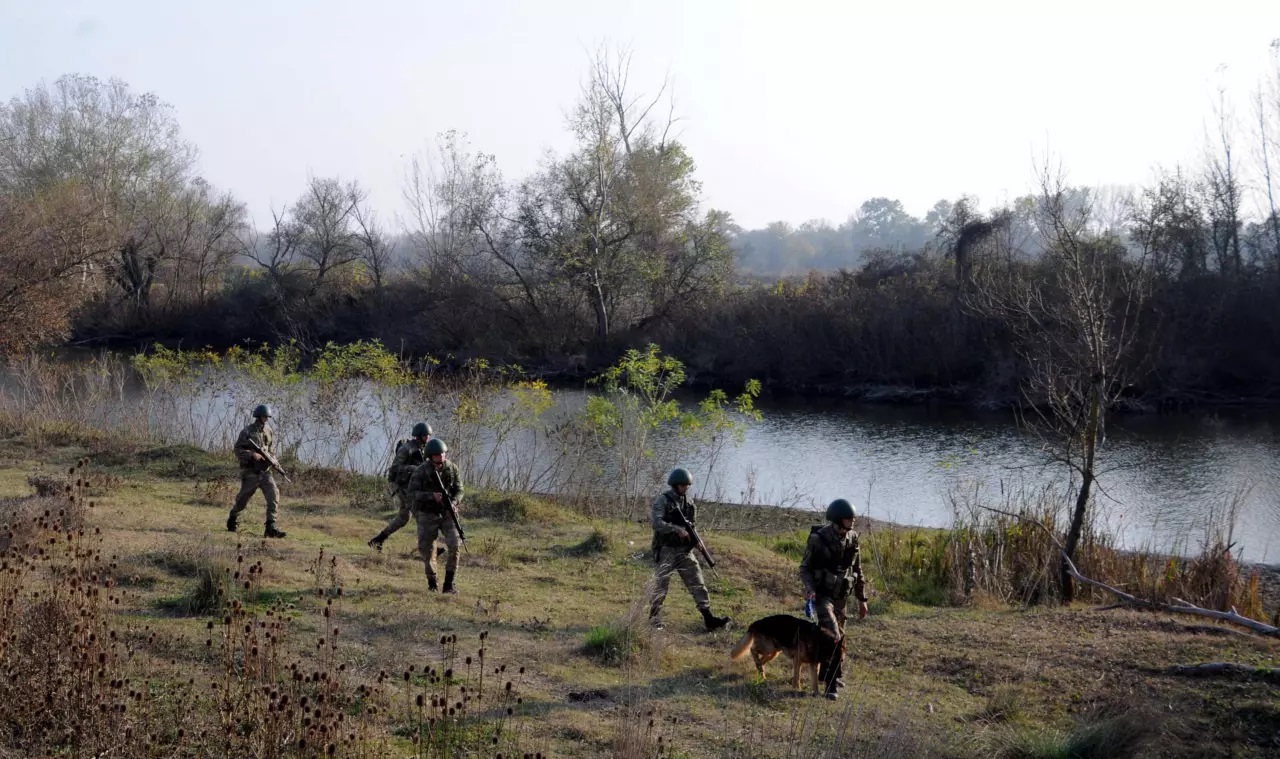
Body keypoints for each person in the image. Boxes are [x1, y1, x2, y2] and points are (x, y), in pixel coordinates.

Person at [799, 498, 870, 700]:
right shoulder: (818, 539)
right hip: (822, 595)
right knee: (833, 634)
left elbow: (857, 570)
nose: (853, 521)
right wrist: (810, 589)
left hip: (841, 596)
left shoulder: (853, 538)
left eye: (853, 518)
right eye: (849, 519)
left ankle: (829, 674)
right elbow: (804, 568)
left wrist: (862, 599)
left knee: (840, 637)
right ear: (838, 520)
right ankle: (831, 685)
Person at [648, 467, 731, 632]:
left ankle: (709, 618)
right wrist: (675, 529)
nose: (686, 488)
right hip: (666, 550)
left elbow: (691, 525)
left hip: (685, 551)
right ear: (676, 485)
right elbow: (656, 523)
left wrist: (696, 542)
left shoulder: (689, 503)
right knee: (661, 585)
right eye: (684, 485)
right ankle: (654, 617)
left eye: (688, 485)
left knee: (697, 582)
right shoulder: (662, 501)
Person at [405, 438, 463, 593]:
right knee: (427, 549)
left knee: (455, 544)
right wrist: (431, 496)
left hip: (447, 512)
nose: (442, 457)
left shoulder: (452, 468)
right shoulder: (420, 471)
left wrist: (454, 502)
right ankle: (432, 582)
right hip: (427, 513)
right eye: (438, 454)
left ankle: (449, 584)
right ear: (431, 456)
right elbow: (412, 494)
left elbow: (459, 489)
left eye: (443, 453)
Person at [368, 421, 433, 551]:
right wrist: (413, 468)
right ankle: (429, 548)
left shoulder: (424, 448)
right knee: (421, 515)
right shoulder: (406, 449)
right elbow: (395, 467)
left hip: (411, 485)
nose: (428, 438)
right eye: (426, 435)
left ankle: (377, 540)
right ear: (419, 435)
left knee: (404, 518)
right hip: (401, 485)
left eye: (429, 435)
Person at [227, 404, 287, 538]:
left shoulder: (269, 431)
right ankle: (233, 517)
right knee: (242, 500)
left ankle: (270, 527)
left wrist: (275, 461)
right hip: (251, 472)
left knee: (274, 496)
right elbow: (238, 450)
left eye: (267, 417)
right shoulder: (247, 432)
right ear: (258, 416)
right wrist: (252, 455)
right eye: (264, 417)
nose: (265, 419)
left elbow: (271, 450)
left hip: (265, 471)